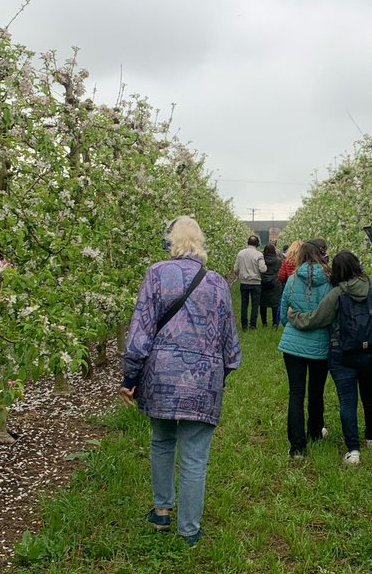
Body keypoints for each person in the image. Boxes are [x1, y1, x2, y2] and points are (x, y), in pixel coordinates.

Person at [121, 216, 241, 545]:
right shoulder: (217, 283)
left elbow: (141, 328)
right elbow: (230, 340)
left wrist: (130, 374)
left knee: (161, 441)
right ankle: (189, 530)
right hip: (203, 378)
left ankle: (162, 511)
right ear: (200, 242)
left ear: (170, 241)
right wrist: (221, 373)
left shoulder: (156, 274)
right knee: (195, 456)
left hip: (160, 375)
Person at [288, 236, 372, 466]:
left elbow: (316, 319)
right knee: (370, 397)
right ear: (357, 265)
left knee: (347, 401)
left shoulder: (336, 293)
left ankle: (353, 451)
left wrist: (294, 316)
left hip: (343, 354)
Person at [277, 240, 332, 457]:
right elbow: (333, 313)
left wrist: (294, 324)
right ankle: (315, 432)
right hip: (320, 344)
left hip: (293, 346)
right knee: (316, 391)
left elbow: (283, 314)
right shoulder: (329, 281)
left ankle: (297, 447)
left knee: (296, 393)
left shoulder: (292, 280)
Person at [234, 235, 266, 330]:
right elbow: (263, 269)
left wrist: (240, 274)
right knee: (255, 305)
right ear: (257, 244)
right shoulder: (258, 255)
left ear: (248, 242)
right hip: (256, 283)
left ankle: (244, 325)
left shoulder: (241, 253)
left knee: (244, 304)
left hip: (244, 282)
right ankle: (253, 325)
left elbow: (235, 269)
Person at [260, 242, 284, 327]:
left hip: (263, 282)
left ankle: (264, 323)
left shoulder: (262, 260)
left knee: (263, 304)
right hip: (275, 283)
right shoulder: (278, 260)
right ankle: (275, 323)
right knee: (275, 304)